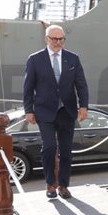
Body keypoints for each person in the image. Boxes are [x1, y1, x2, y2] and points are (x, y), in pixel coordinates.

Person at [23, 25, 89, 199]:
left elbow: (81, 84)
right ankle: (50, 183)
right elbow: (28, 88)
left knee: (66, 150)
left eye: (61, 39)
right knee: (50, 147)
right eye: (54, 39)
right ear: (47, 39)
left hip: (67, 111)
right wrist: (28, 110)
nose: (58, 42)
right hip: (44, 111)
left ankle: (63, 185)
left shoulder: (73, 58)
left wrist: (84, 106)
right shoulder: (35, 59)